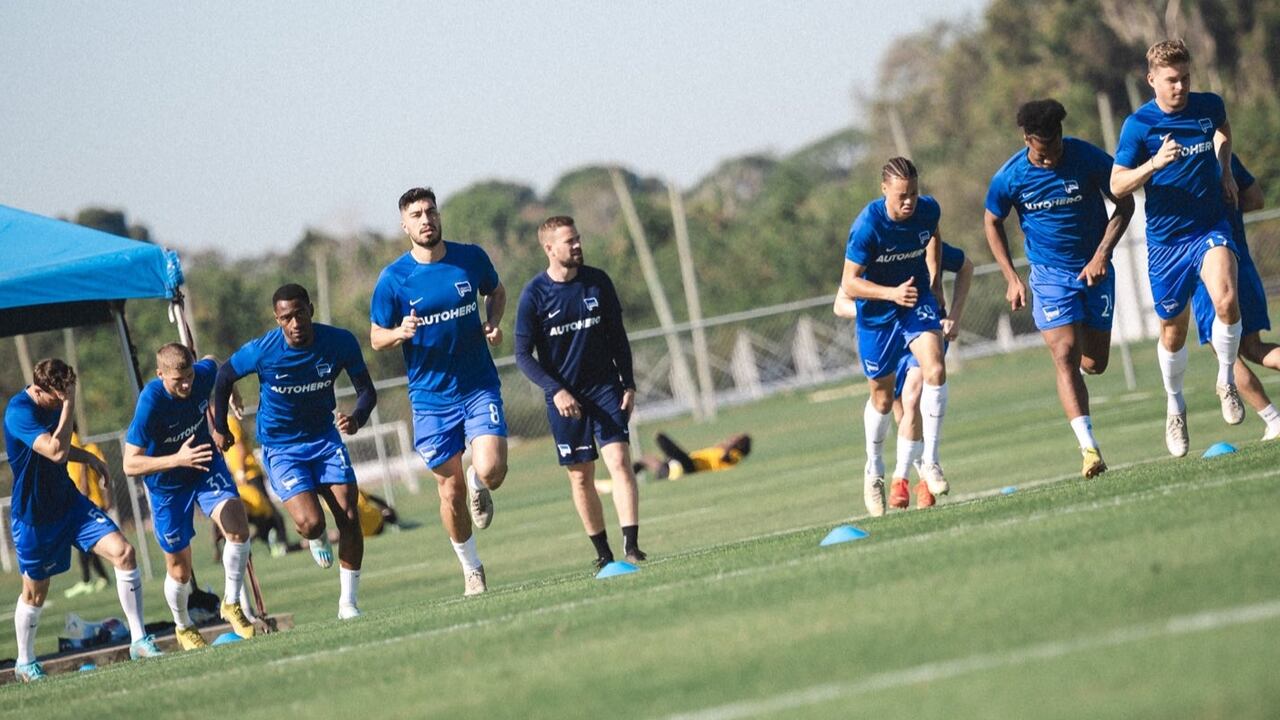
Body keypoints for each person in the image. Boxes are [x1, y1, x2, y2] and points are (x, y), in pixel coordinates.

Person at [985, 98, 1135, 477]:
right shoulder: (1010, 177)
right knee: (1064, 354)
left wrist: (1102, 253)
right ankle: (1089, 450)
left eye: (1055, 146)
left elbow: (1125, 203)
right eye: (1041, 149)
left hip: (1094, 270)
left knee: (1094, 363)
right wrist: (1012, 277)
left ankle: (1078, 382)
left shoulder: (1086, 157)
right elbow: (992, 221)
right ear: (1026, 139)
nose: (1050, 156)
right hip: (1049, 276)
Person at [370, 187, 508, 596]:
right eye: (416, 214)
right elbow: (376, 337)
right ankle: (472, 569)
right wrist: (400, 332)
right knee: (449, 491)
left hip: (478, 385)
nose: (425, 219)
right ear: (404, 225)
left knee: (492, 470)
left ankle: (479, 485)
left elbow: (495, 291)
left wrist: (492, 322)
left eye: (430, 211)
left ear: (439, 215)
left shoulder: (470, 258)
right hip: (431, 400)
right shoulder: (394, 279)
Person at [212, 284, 377, 619]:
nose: (295, 322)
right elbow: (224, 375)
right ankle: (315, 537)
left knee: (348, 515)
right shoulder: (263, 351)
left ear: (311, 310)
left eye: (300, 313)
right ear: (278, 319)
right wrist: (218, 426)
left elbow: (367, 391)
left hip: (325, 440)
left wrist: (357, 418)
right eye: (286, 317)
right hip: (281, 447)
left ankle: (348, 603)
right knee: (311, 523)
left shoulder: (339, 342)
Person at [1110, 39, 1242, 457]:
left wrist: (1225, 171)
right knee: (1173, 330)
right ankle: (1175, 405)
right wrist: (1153, 165)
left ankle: (1226, 380)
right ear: (1152, 80)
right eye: (1171, 81)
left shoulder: (1208, 105)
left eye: (1185, 78)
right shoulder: (1139, 126)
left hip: (1209, 226)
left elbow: (1223, 129)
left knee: (1226, 298)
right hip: (1166, 242)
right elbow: (1116, 184)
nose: (1180, 87)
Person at [4, 358, 161, 682]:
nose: (62, 401)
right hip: (34, 517)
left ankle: (138, 640)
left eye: (67, 393)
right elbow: (55, 451)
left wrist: (88, 457)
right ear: (39, 389)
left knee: (124, 553)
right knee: (35, 591)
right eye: (57, 396)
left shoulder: (54, 401)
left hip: (69, 503)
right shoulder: (19, 411)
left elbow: (61, 449)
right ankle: (24, 661)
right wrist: (69, 403)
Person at [515, 215, 645, 571]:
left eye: (578, 239)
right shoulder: (534, 295)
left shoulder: (598, 282)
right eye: (569, 241)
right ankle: (603, 554)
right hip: (565, 398)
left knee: (618, 461)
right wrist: (555, 391)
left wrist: (629, 383)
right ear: (549, 248)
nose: (577, 246)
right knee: (580, 475)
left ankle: (631, 546)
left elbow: (618, 336)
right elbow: (523, 356)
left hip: (605, 388)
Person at [122, 344, 257, 650]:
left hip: (205, 467)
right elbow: (130, 464)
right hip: (166, 487)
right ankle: (183, 626)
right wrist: (177, 459)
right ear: (160, 376)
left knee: (237, 527)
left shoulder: (202, 374)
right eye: (177, 380)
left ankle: (231, 602)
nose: (186, 385)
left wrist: (230, 392)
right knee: (180, 570)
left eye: (189, 377)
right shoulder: (151, 401)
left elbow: (216, 362)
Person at [841, 157, 951, 517]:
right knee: (884, 400)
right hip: (877, 315)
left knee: (934, 369)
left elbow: (934, 234)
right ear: (884, 190)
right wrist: (890, 294)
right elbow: (849, 284)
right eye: (902, 195)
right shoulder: (867, 226)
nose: (909, 202)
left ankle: (931, 461)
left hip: (914, 302)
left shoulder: (927, 210)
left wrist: (933, 282)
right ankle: (873, 470)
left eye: (914, 194)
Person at [835, 239, 972, 508]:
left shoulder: (924, 245)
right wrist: (875, 309)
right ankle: (920, 477)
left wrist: (954, 314)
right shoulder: (873, 253)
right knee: (897, 409)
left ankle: (901, 478)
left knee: (914, 395)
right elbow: (840, 303)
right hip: (884, 335)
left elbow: (966, 266)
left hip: (923, 330)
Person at [1191, 155, 1280, 440]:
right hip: (1242, 261)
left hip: (1209, 266)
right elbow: (1255, 198)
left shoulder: (1176, 162)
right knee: (1253, 347)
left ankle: (1274, 420)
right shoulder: (1221, 155)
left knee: (1225, 355)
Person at [212, 412, 292, 560]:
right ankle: (268, 541)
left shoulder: (227, 419)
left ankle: (282, 542)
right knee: (247, 514)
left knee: (267, 509)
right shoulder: (217, 422)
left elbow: (239, 445)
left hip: (248, 474)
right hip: (238, 476)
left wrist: (240, 471)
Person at [64, 428, 113, 597]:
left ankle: (90, 580)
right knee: (87, 546)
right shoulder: (69, 439)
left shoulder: (73, 438)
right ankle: (101, 578)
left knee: (88, 544)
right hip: (82, 500)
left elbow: (85, 469)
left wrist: (84, 493)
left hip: (89, 502)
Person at [634, 432, 752, 481]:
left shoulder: (735, 455)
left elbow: (726, 459)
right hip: (683, 464)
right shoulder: (720, 449)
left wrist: (730, 446)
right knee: (645, 460)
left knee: (662, 440)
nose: (730, 438)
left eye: (735, 439)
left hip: (692, 467)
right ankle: (623, 478)